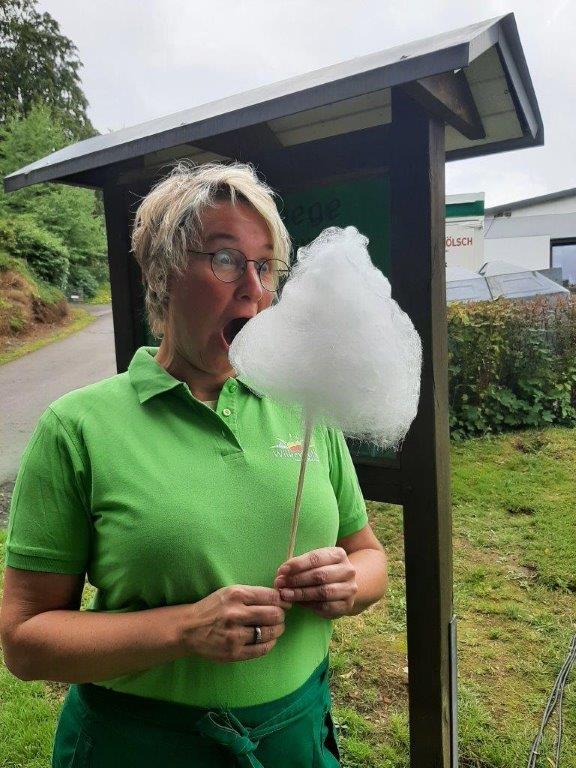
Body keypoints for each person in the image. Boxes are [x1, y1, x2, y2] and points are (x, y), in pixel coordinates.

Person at [0, 162, 388, 767]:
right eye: (226, 258)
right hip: (140, 746)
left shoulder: (306, 407)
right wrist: (185, 628)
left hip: (295, 738)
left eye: (266, 266)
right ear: (162, 273)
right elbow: (26, 642)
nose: (254, 288)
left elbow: (370, 558)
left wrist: (349, 583)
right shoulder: (77, 427)